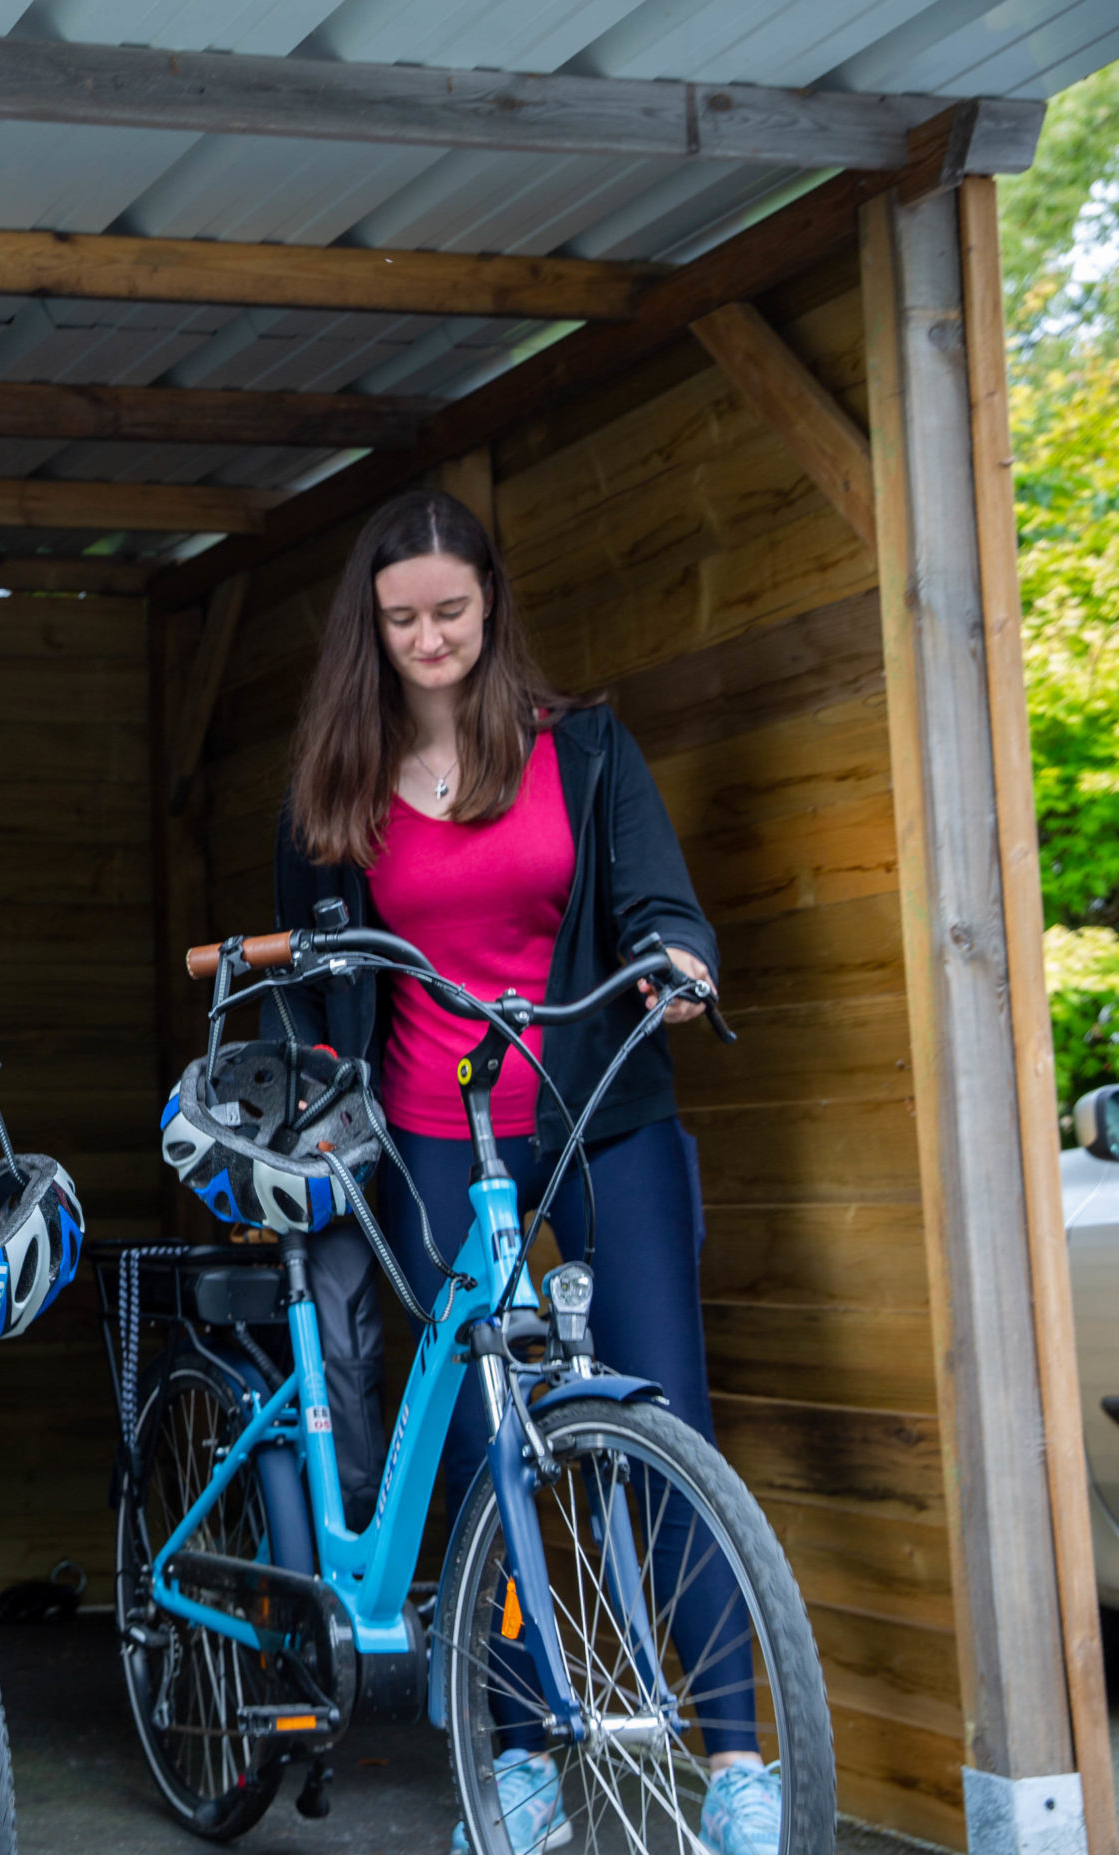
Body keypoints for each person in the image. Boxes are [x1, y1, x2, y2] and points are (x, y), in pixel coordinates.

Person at [270, 489, 777, 1855]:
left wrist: (678, 960)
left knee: (671, 1429)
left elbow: (661, 903)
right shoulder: (334, 786)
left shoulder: (586, 749)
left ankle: (737, 1760)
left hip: (601, 1108)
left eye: (451, 610)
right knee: (483, 1446)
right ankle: (517, 1757)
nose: (430, 638)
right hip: (438, 1133)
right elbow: (313, 984)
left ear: (490, 604)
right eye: (402, 619)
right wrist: (321, 1100)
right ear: (370, 628)